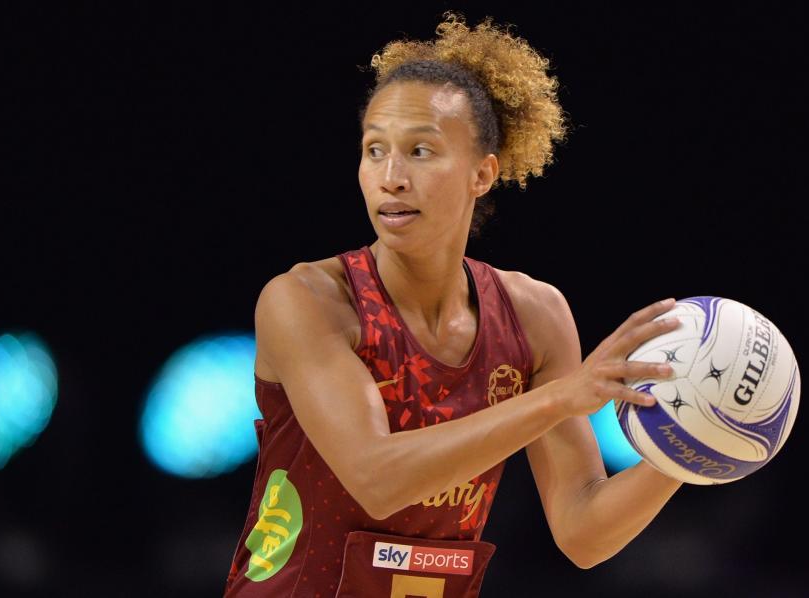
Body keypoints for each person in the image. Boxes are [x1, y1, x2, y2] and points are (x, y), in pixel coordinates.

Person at [224, 11, 683, 597]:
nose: (390, 177)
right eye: (374, 150)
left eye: (420, 151)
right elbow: (377, 477)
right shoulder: (307, 300)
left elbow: (582, 532)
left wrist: (688, 449)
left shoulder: (533, 316)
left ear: (482, 173)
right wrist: (560, 398)